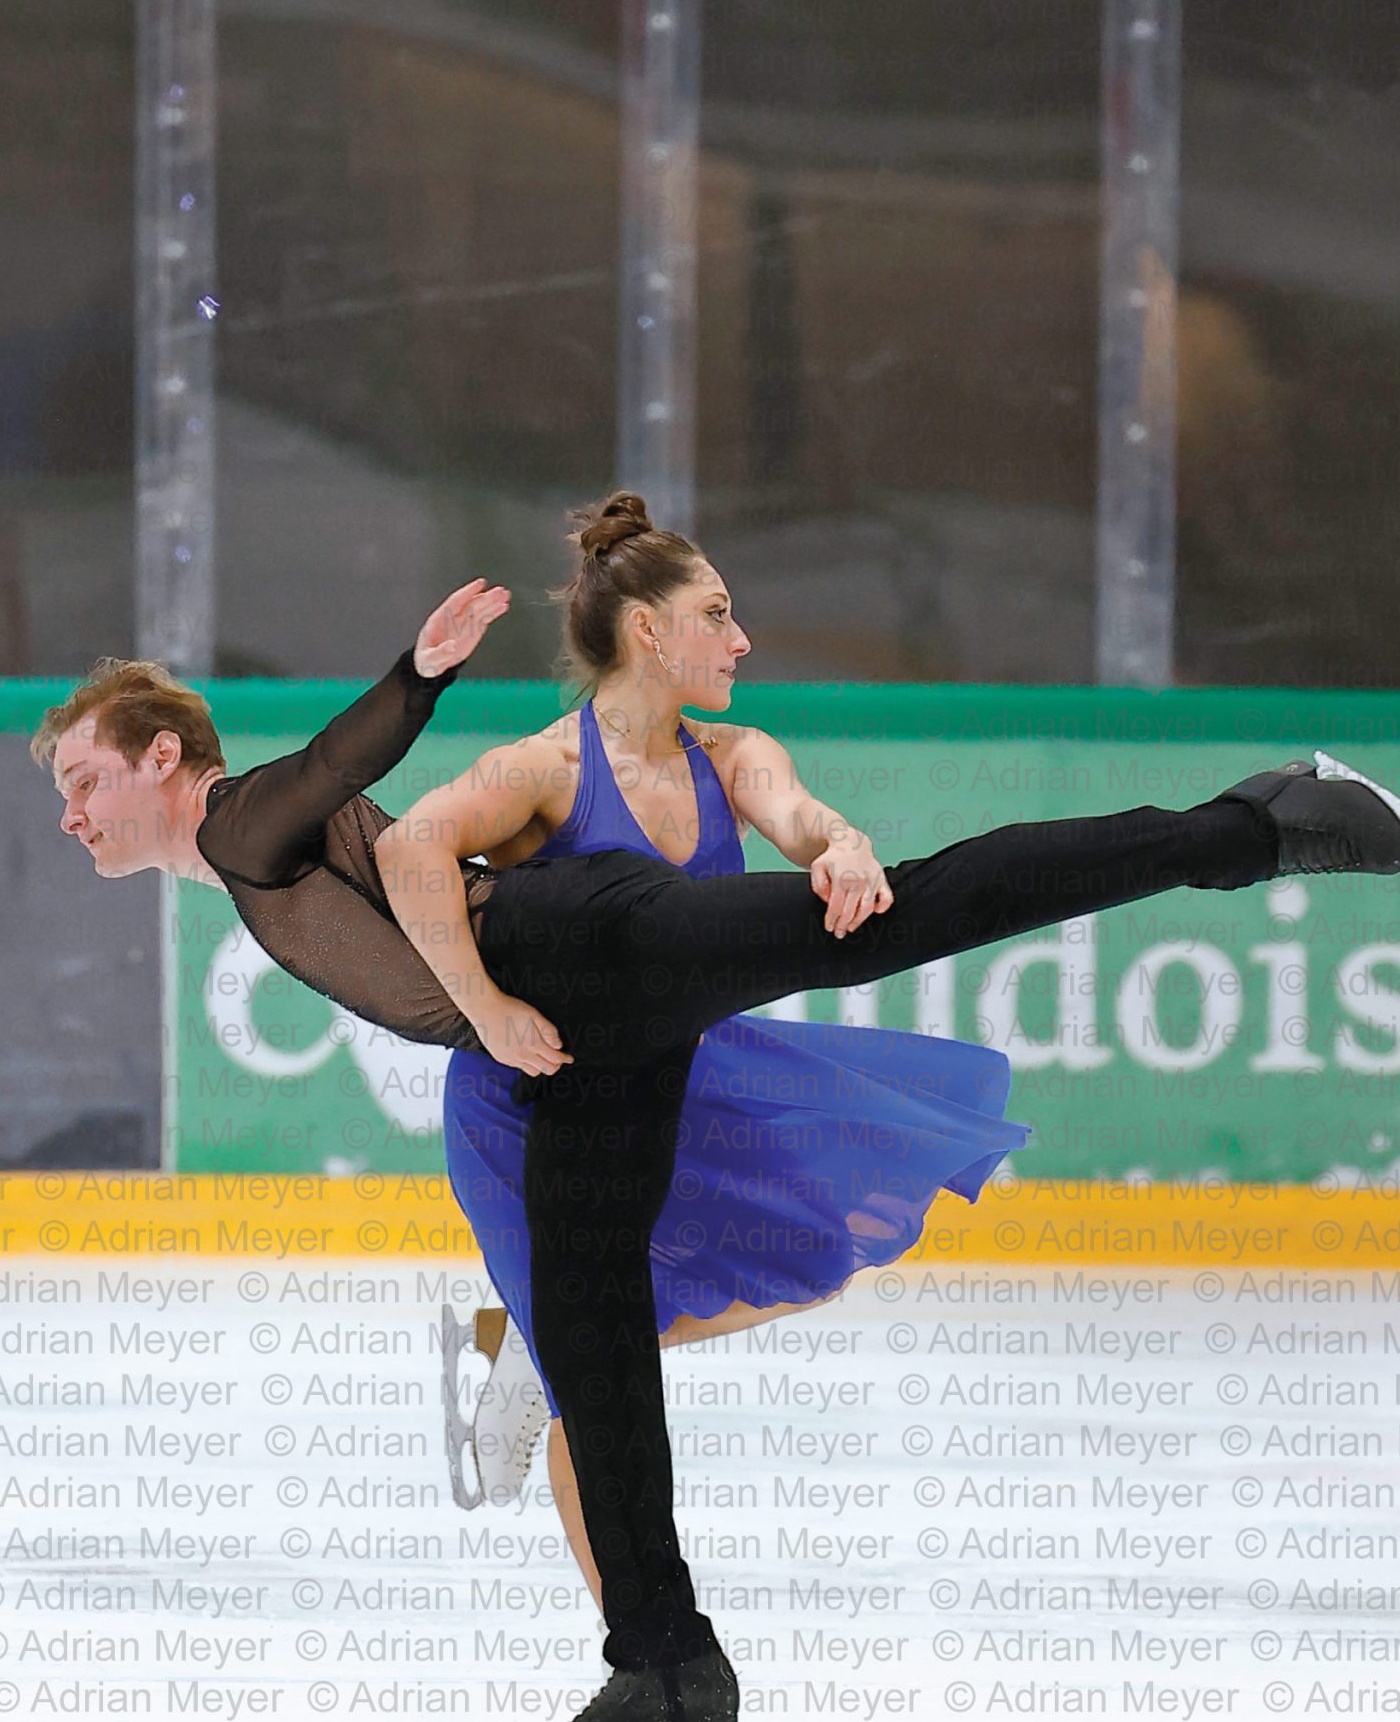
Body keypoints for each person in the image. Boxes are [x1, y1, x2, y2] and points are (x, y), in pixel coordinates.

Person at [33, 537, 1400, 1722]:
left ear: (164, 758)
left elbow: (352, 787)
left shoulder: (234, 819)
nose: (73, 814)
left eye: (86, 780)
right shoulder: (237, 857)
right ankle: (664, 1667)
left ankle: (1251, 828)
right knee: (595, 1352)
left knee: (910, 917)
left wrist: (418, 691)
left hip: (578, 954)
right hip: (580, 1046)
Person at [439, 494, 1031, 1628]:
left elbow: (802, 818)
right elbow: (409, 864)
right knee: (593, 1393)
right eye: (717, 614)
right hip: (534, 1101)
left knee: (805, 1254)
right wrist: (485, 1007)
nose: (742, 638)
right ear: (648, 632)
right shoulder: (539, 769)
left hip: (688, 1078)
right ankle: (643, 1658)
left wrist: (845, 847)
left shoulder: (735, 755)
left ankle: (522, 1341)